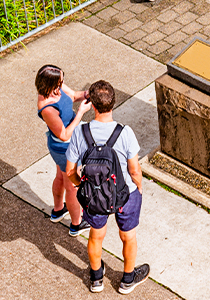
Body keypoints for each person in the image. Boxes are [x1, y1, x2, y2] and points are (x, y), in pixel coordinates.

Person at [65, 80, 149, 294]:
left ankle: (96, 279)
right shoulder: (125, 132)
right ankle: (127, 280)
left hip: (93, 194)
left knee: (96, 235)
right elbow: (134, 170)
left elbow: (70, 171)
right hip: (125, 193)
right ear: (114, 103)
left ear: (92, 105)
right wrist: (139, 187)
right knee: (128, 236)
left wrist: (80, 184)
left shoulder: (80, 132)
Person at [35, 64, 91, 234]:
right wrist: (80, 113)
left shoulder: (56, 88)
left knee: (61, 176)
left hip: (65, 146)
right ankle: (76, 224)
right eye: (59, 82)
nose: (62, 84)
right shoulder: (47, 108)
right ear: (48, 84)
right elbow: (64, 135)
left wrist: (88, 94)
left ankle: (58, 210)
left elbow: (73, 95)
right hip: (65, 148)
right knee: (72, 187)